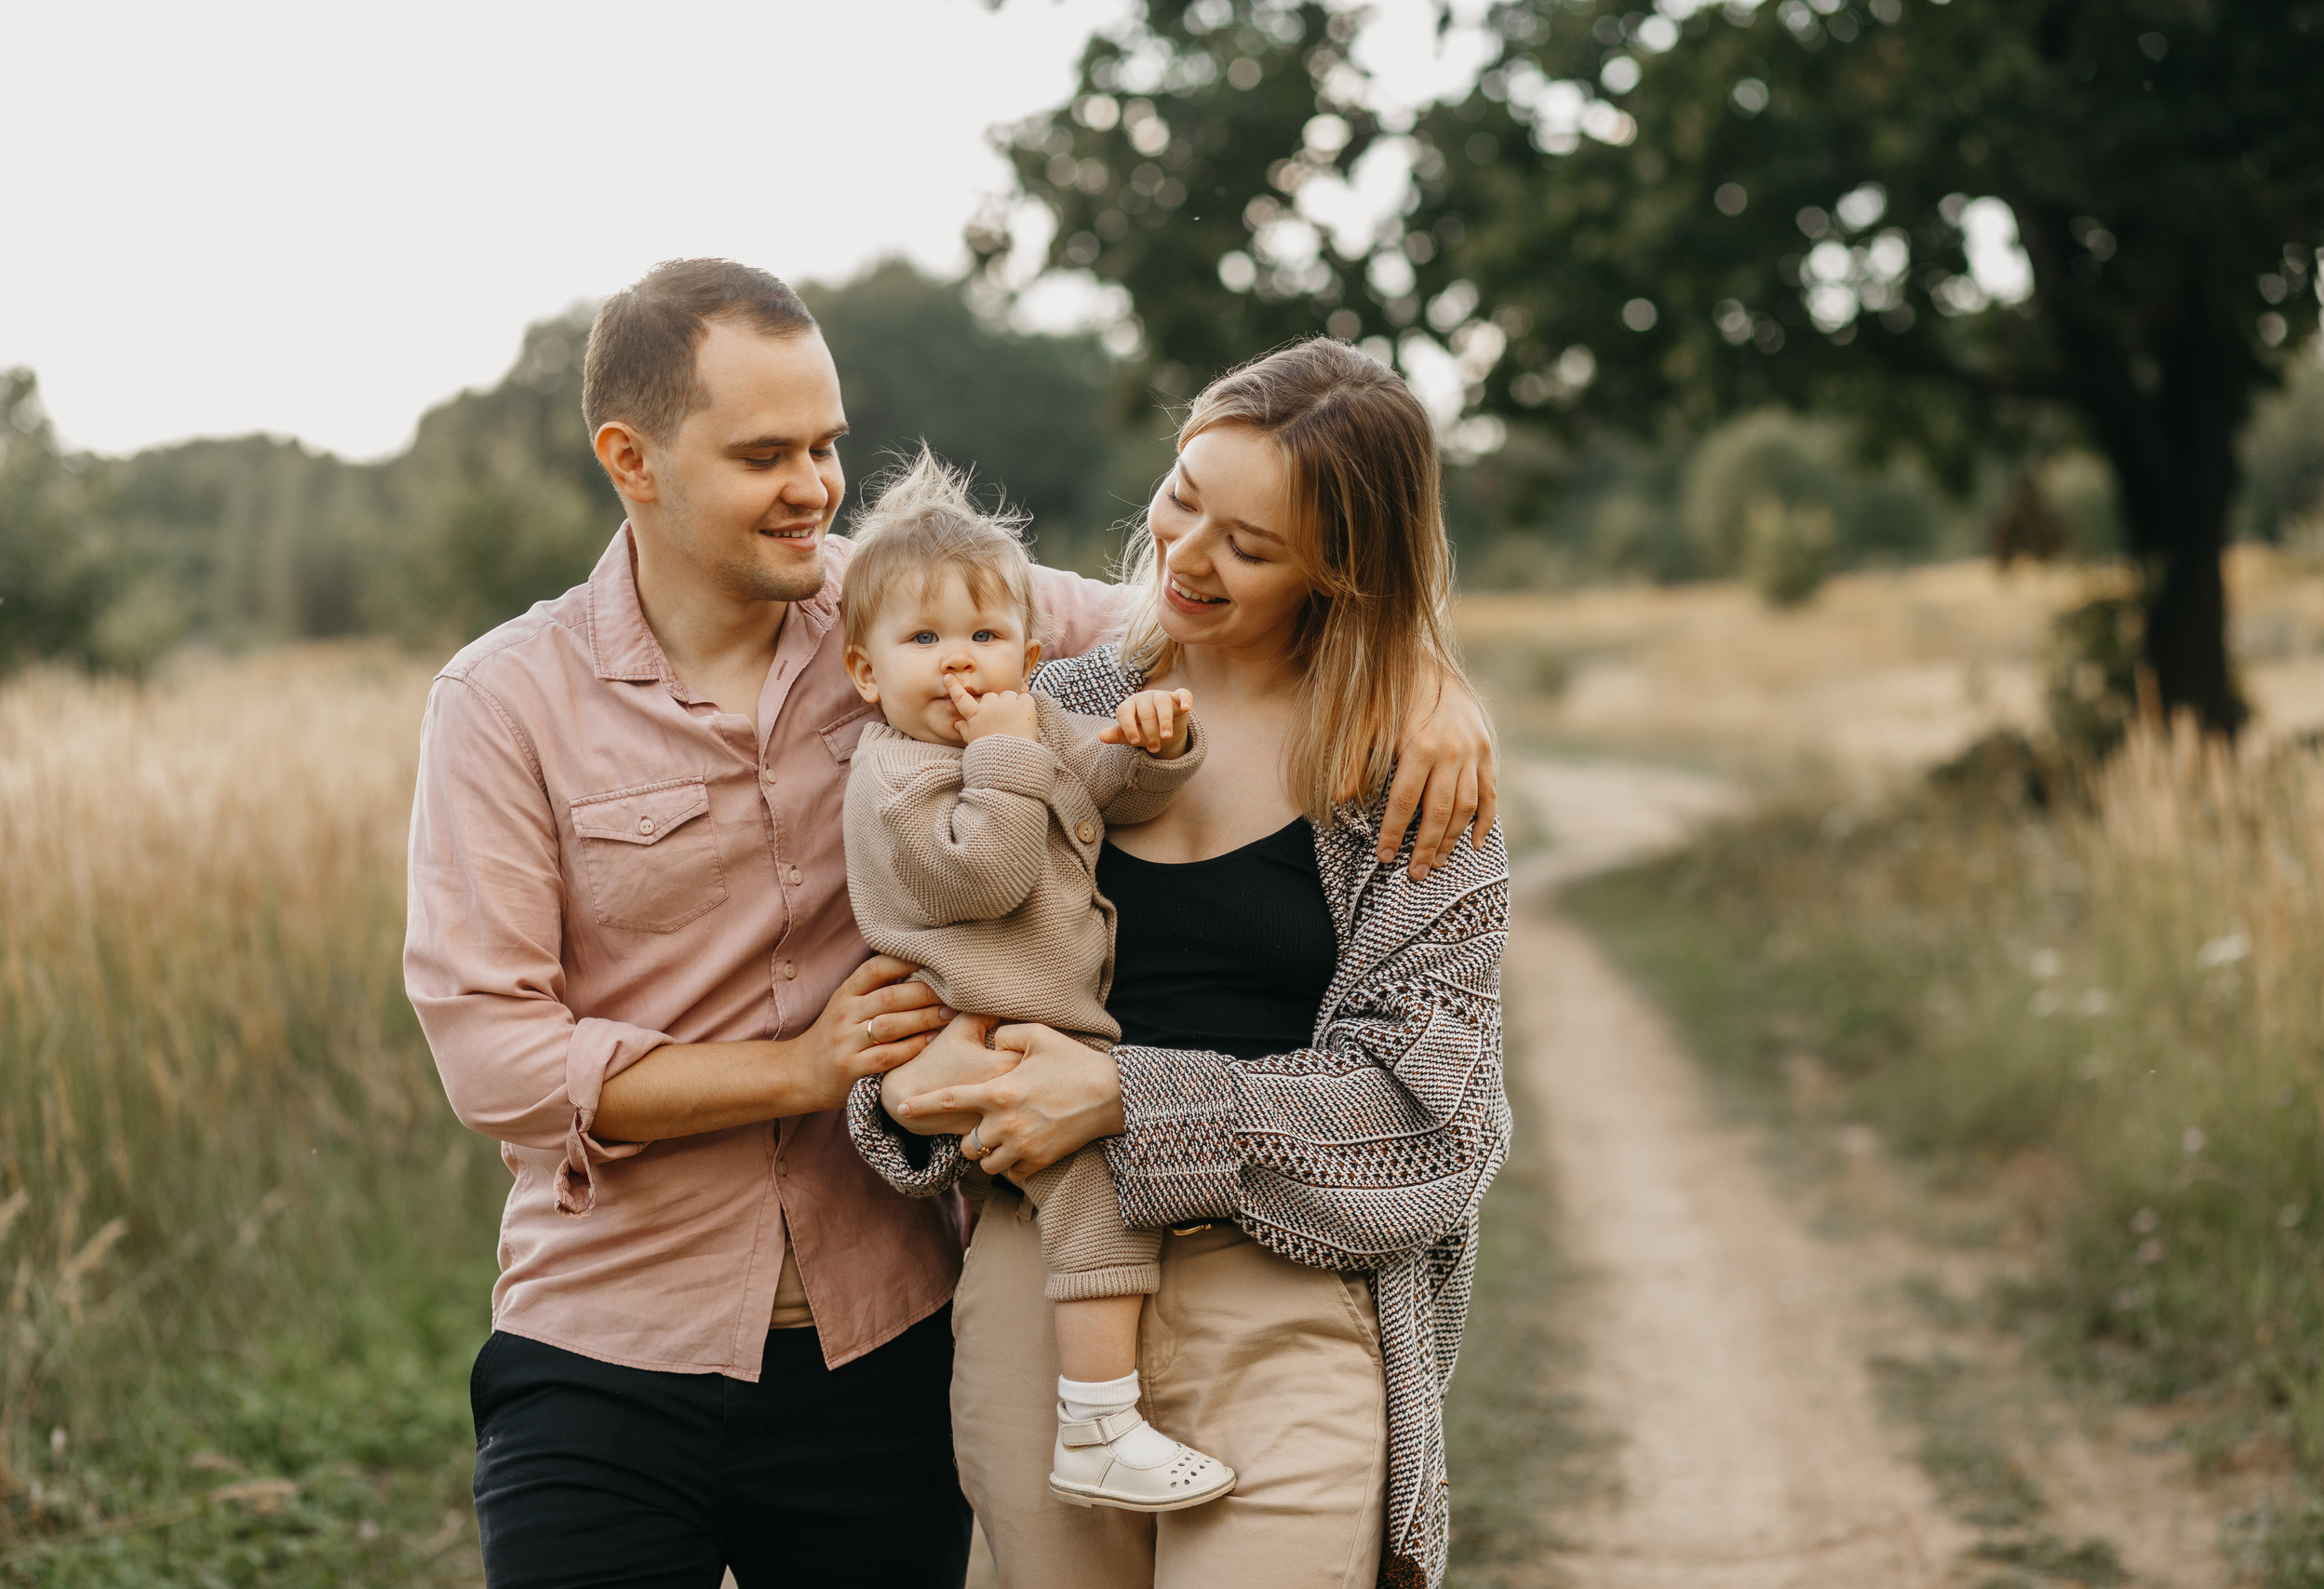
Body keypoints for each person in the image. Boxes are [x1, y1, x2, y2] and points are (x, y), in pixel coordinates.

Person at [402, 259, 1498, 1589]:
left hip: (898, 1335)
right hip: (617, 1327)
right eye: (766, 453)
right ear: (630, 458)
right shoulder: (511, 698)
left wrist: (1425, 669)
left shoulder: (932, 604)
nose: (813, 486)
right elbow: (498, 1057)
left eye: (826, 445)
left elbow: (1209, 612)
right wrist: (812, 1071)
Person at [854, 338, 1512, 1589]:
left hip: (1291, 1304)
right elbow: (929, 949)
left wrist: (1126, 1095)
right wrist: (902, 1085)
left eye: (1250, 545)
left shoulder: (1407, 775)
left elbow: (1438, 1120)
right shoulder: (1048, 703)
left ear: (1343, 566)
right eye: (1182, 493)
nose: (1185, 553)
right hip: (1038, 1292)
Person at [837, 450, 1239, 1512]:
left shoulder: (1021, 723)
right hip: (985, 1037)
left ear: (1029, 646)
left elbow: (1102, 798)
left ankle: (1106, 1410)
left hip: (1045, 1028)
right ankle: (1100, 1423)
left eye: (983, 637)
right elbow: (990, 868)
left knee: (1096, 1196)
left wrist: (1155, 749)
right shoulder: (895, 776)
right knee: (1099, 1195)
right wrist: (1008, 753)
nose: (959, 666)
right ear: (867, 673)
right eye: (923, 641)